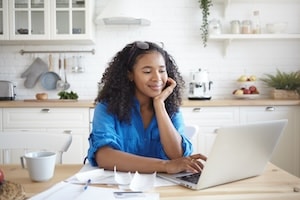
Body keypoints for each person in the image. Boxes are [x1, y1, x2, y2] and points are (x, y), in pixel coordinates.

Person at [87, 41, 207, 174]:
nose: (157, 78)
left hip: (165, 187)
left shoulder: (171, 107)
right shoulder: (106, 107)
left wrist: (159, 105)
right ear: (130, 74)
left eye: (162, 70)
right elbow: (104, 157)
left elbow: (177, 155)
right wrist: (165, 165)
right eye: (147, 71)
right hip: (118, 185)